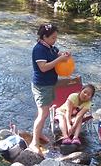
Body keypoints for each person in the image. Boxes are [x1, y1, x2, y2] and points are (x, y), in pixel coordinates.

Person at [30, 23, 71, 153]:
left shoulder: (51, 47)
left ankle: (39, 133)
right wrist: (59, 60)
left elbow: (59, 55)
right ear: (44, 37)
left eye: (56, 37)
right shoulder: (39, 49)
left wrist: (65, 56)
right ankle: (34, 142)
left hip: (50, 83)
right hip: (42, 85)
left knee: (43, 111)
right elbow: (43, 67)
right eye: (53, 37)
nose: (55, 40)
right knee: (43, 114)